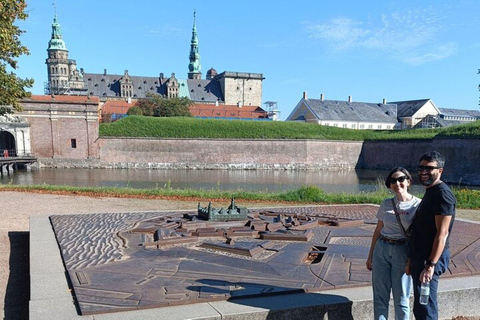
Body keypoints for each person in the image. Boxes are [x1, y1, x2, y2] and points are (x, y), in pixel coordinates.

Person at [367, 167, 421, 320]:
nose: (397, 183)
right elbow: (378, 230)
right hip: (382, 249)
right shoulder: (386, 204)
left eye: (401, 179)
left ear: (409, 181)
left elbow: (419, 235)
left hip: (402, 251)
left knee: (402, 297)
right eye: (393, 181)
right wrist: (370, 255)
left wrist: (412, 258)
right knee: (379, 297)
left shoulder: (418, 205)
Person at [407, 151, 456, 320]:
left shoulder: (443, 194)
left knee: (426, 306)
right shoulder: (432, 190)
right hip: (421, 257)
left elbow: (442, 234)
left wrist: (430, 265)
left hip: (430, 258)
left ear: (440, 170)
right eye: (421, 167)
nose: (423, 172)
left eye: (429, 168)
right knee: (421, 306)